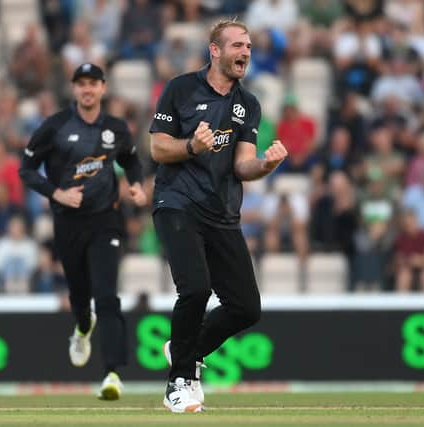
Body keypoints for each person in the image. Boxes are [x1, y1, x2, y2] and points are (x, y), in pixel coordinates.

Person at [149, 19, 288, 413]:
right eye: (237, 45)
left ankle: (182, 350)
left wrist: (266, 166)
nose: (245, 52)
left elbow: (242, 165)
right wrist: (192, 145)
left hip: (222, 212)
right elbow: (158, 149)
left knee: (246, 307)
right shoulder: (180, 89)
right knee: (195, 289)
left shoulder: (249, 104)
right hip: (177, 203)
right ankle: (178, 383)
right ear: (215, 50)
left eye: (248, 46)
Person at [19, 63, 147, 400]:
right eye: (81, 84)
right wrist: (57, 193)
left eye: (93, 83)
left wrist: (135, 185)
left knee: (107, 296)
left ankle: (112, 374)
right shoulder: (55, 127)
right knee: (80, 296)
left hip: (106, 220)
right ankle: (82, 326)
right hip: (68, 223)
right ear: (74, 89)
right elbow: (27, 170)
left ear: (103, 88)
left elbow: (132, 160)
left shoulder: (117, 128)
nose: (87, 89)